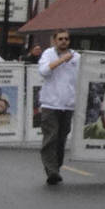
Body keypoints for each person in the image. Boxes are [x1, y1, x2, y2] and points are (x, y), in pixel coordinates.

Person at [37, 31, 79, 185]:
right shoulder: (48, 54)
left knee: (61, 139)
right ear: (54, 40)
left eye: (66, 39)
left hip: (68, 105)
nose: (63, 41)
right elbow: (43, 71)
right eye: (60, 39)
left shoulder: (77, 57)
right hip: (50, 103)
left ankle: (56, 167)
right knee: (51, 137)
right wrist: (61, 60)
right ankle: (51, 171)